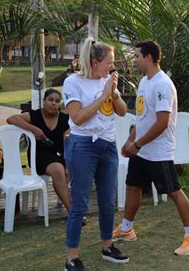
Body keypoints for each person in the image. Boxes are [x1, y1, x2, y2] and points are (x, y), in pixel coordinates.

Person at [112, 40, 189, 256]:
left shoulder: (162, 84)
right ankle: (126, 230)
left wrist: (137, 144)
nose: (134, 61)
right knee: (133, 186)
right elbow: (143, 117)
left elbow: (162, 122)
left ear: (149, 57)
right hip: (142, 150)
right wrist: (130, 141)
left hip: (158, 151)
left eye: (136, 56)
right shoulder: (145, 81)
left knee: (174, 191)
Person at [62, 37, 129, 270]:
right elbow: (77, 117)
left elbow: (122, 112)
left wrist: (114, 93)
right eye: (109, 62)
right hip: (83, 145)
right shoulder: (73, 83)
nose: (112, 66)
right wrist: (102, 96)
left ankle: (107, 245)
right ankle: (72, 257)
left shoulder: (107, 81)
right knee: (80, 203)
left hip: (107, 145)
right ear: (94, 62)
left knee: (107, 200)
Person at [7, 88, 72, 213]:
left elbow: (67, 144)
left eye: (57, 101)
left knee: (76, 166)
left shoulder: (65, 119)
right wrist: (33, 129)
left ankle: (76, 206)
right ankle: (73, 211)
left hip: (59, 155)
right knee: (58, 170)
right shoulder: (35, 115)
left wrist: (68, 164)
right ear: (44, 101)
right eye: (50, 100)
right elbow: (11, 119)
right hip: (38, 156)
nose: (54, 103)